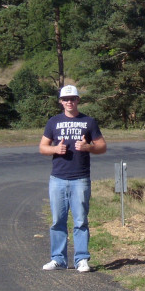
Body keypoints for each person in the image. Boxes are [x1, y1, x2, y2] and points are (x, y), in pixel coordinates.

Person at [39, 85, 107, 272]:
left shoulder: (89, 122)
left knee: (80, 221)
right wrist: (55, 149)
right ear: (61, 101)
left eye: (73, 98)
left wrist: (88, 148)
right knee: (57, 220)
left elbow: (102, 146)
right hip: (58, 178)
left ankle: (81, 259)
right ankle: (58, 259)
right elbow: (43, 147)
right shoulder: (53, 122)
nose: (69, 102)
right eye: (65, 99)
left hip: (80, 179)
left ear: (78, 100)